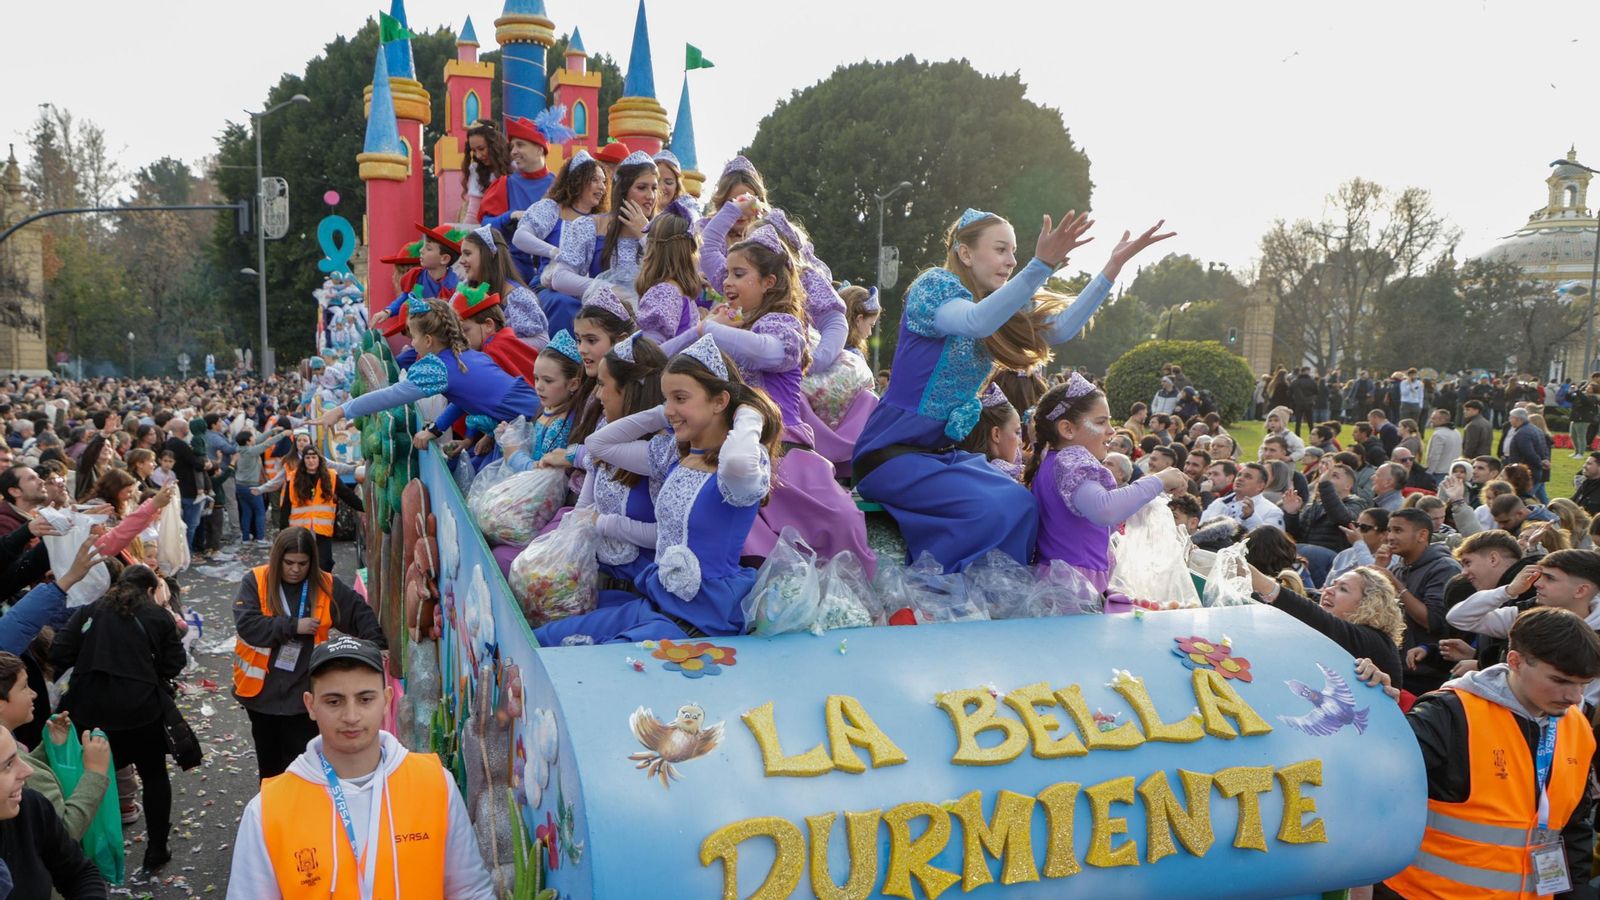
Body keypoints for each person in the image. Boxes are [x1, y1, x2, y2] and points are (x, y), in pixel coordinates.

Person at [852, 208, 1170, 571]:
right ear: (965, 253)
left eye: (1014, 252)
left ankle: (996, 599)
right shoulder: (934, 288)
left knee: (1021, 504)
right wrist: (1040, 265)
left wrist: (1112, 268)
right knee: (992, 509)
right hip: (889, 455)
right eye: (1001, 249)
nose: (1011, 261)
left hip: (935, 456)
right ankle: (935, 591)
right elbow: (974, 321)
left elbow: (1059, 330)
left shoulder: (995, 305)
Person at [660, 224, 873, 571]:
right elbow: (664, 358)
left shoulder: (781, 322)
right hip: (737, 450)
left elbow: (772, 354)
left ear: (768, 283)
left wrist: (713, 329)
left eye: (739, 274)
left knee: (838, 521)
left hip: (785, 450)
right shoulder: (737, 329)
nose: (726, 282)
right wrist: (700, 330)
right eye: (726, 273)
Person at [542, 335, 781, 644]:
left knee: (593, 660)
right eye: (667, 398)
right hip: (657, 603)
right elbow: (599, 444)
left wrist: (749, 413)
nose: (670, 409)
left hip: (699, 621)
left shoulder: (740, 467)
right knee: (547, 637)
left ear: (720, 402)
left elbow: (736, 461)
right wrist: (663, 412)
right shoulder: (675, 454)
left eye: (680, 398)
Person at [226, 636, 496, 900]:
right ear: (310, 705)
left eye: (365, 699)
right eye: (334, 701)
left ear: (386, 699)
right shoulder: (268, 810)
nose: (351, 716)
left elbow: (470, 891)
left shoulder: (435, 784)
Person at [1370, 607, 1599, 898]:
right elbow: (1375, 787)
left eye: (1584, 684)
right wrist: (1376, 714)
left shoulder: (1576, 724)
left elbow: (1574, 826)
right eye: (1561, 681)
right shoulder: (1450, 713)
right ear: (1515, 661)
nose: (1575, 697)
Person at [48, 565, 185, 873]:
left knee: (94, 779)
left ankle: (91, 849)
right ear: (150, 591)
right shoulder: (158, 616)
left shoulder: (90, 611)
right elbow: (175, 662)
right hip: (142, 712)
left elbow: (59, 651)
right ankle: (157, 849)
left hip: (90, 712)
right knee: (153, 776)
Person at [231, 527, 386, 781]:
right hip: (261, 694)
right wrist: (293, 626)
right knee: (270, 767)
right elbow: (248, 625)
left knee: (302, 765)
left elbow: (359, 613)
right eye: (289, 562)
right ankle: (271, 814)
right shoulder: (255, 580)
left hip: (302, 695)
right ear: (277, 559)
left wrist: (377, 645)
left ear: (311, 562)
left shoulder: (324, 584)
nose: (295, 569)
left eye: (302, 564)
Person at [1026, 375, 1186, 596]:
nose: (1112, 430)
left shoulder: (1055, 460)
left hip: (1065, 582)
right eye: (1101, 422)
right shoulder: (1072, 459)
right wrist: (1158, 480)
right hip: (1072, 587)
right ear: (1067, 429)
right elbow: (1104, 509)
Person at [0, 653, 110, 844]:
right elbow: (64, 832)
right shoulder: (23, 774)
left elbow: (27, 764)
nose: (33, 693)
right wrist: (95, 772)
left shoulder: (9, 747)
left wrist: (47, 747)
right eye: (24, 687)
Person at [1248, 563, 1404, 687]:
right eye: (1332, 585)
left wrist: (1264, 585)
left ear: (1370, 604)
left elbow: (1322, 622)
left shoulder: (1377, 642)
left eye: (1343, 589)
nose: (1328, 591)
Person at [0, 724, 107, 900]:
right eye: (8, 765)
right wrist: (95, 776)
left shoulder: (29, 808)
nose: (28, 771)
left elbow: (78, 873)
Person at [1375, 507, 1463, 695]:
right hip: (1398, 668)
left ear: (1422, 535)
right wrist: (1378, 572)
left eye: (1398, 530)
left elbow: (1433, 621)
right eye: (1389, 530)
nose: (1390, 537)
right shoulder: (1398, 569)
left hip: (1427, 675)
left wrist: (1395, 585)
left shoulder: (1444, 568)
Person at [1281, 463, 1366, 586]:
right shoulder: (1313, 507)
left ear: (1348, 485)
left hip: (1333, 567)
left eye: (1334, 475)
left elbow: (1342, 518)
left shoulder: (1357, 504)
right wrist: (1292, 514)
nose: (1326, 478)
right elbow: (1296, 537)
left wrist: (1325, 485)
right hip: (1306, 563)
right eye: (1326, 475)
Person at [1201, 462, 1283, 529]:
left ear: (1260, 486)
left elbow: (1271, 542)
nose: (1240, 479)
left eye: (1248, 477)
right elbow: (1200, 527)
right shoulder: (1219, 502)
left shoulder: (1272, 511)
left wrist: (1250, 517)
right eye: (1239, 475)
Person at [1573, 451, 1600, 516]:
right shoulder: (1585, 483)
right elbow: (1572, 502)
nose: (1584, 466)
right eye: (1585, 463)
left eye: (1589, 464)